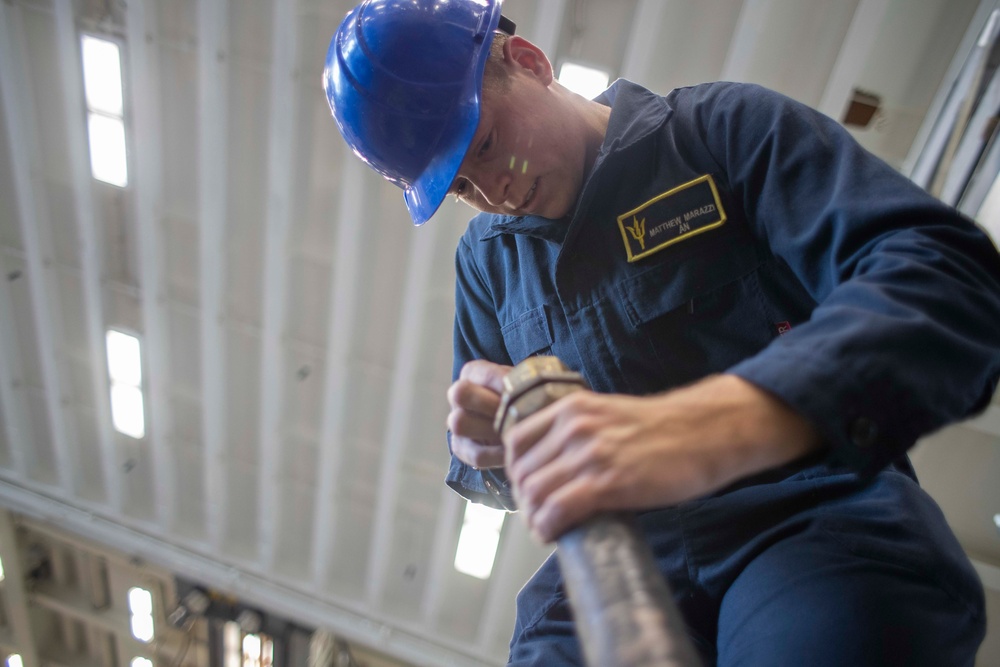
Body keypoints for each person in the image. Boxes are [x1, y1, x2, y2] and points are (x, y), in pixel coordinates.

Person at [325, 1, 1000, 664]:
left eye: (489, 147)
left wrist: (721, 424)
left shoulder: (719, 132)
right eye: (463, 187)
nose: (496, 193)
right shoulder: (486, 261)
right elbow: (500, 469)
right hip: (620, 561)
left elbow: (943, 275)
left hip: (805, 517)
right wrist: (486, 442)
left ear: (530, 63)